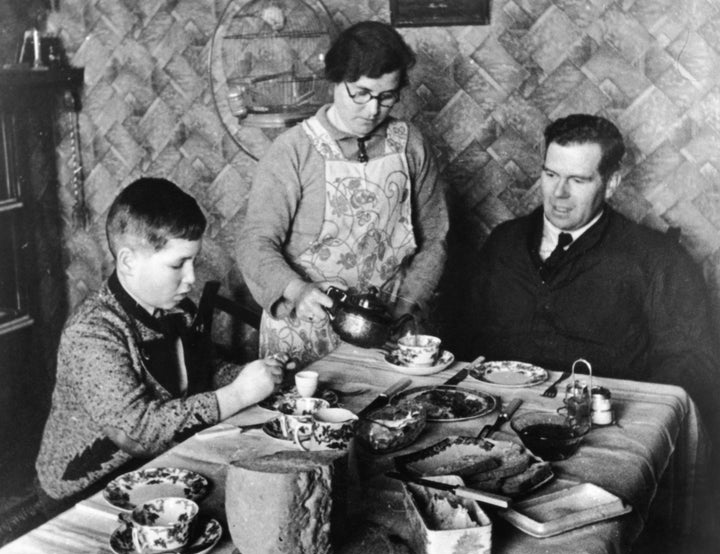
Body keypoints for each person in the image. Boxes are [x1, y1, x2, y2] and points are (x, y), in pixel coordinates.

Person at [35, 178, 286, 508]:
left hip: (156, 468)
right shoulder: (93, 331)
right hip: (84, 494)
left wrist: (254, 375)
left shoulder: (176, 309)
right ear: (128, 262)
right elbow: (137, 432)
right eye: (177, 264)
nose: (191, 278)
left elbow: (205, 371)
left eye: (193, 261)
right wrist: (239, 394)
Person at [465, 113, 720, 435]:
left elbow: (691, 365)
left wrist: (626, 418)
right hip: (493, 421)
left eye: (578, 180)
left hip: (601, 430)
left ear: (611, 183)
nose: (559, 193)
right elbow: (465, 338)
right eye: (551, 174)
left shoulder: (656, 259)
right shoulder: (504, 242)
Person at [237, 21, 448, 366]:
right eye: (360, 93)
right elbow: (254, 243)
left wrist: (407, 305)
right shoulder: (294, 150)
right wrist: (296, 291)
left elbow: (435, 238)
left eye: (386, 97)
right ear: (335, 80)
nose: (372, 110)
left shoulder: (411, 144)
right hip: (303, 329)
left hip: (387, 327)